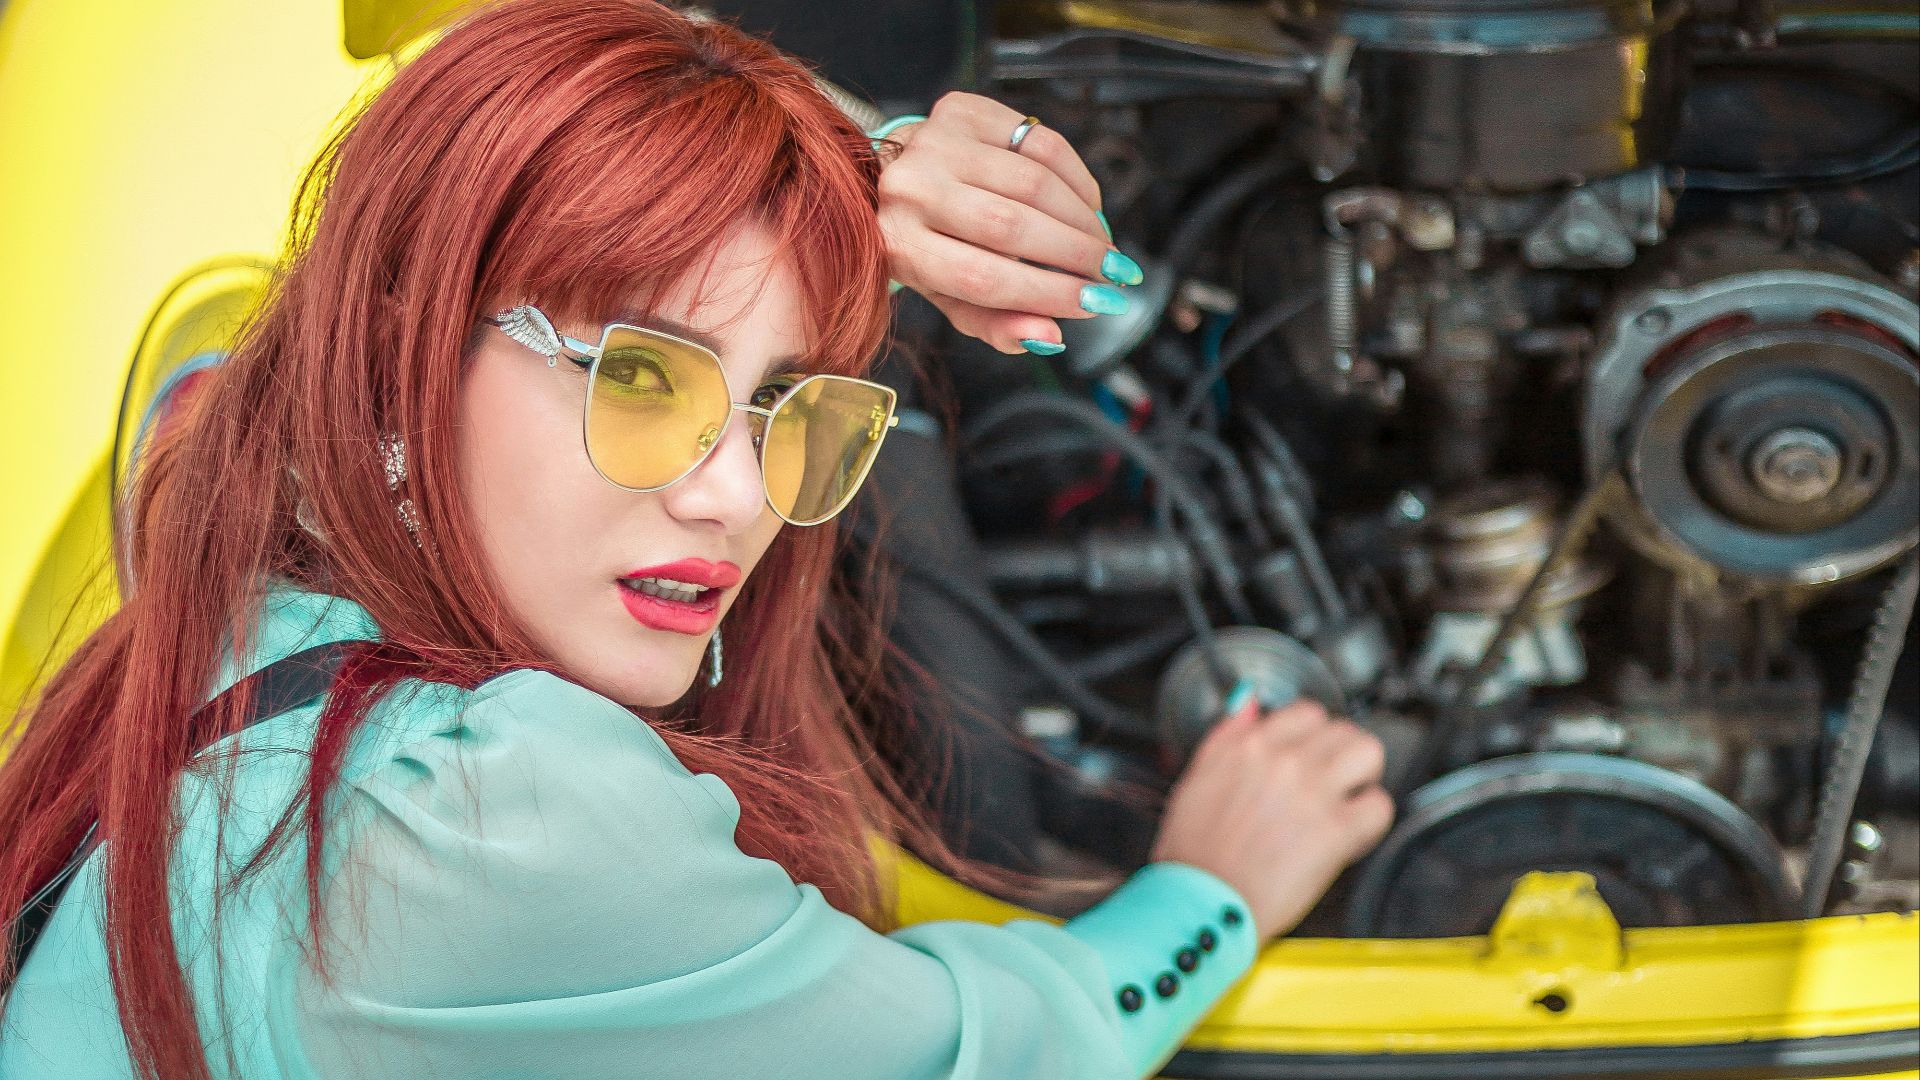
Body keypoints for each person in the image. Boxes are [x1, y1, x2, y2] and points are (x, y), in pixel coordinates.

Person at [0, 2, 1392, 1078]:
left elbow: (410, 244)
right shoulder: (488, 816)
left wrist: (840, 174)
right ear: (397, 368)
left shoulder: (238, 562)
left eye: (792, 405)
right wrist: (1210, 890)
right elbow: (983, 1053)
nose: (738, 500)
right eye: (642, 379)